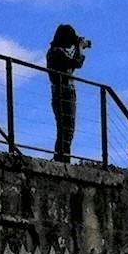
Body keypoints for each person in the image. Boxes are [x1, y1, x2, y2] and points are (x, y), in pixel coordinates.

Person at [46, 22, 91, 163]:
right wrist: (79, 47)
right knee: (67, 130)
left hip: (62, 92)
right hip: (64, 93)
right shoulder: (56, 52)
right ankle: (62, 160)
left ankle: (62, 158)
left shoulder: (55, 52)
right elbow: (76, 63)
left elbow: (70, 68)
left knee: (65, 130)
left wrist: (77, 48)